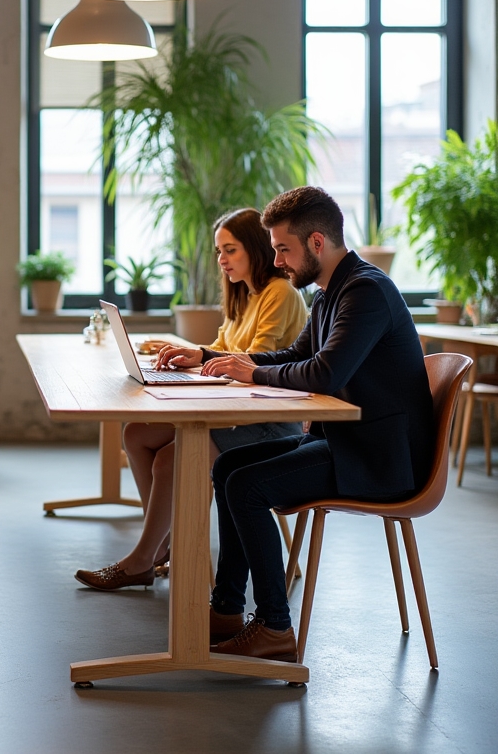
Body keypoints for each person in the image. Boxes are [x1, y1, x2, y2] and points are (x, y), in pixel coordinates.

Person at [197, 186, 434, 661]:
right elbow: (294, 356)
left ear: (317, 243)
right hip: (349, 444)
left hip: (379, 461)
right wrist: (213, 358)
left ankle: (274, 628)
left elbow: (326, 372)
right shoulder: (332, 292)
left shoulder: (366, 291)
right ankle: (226, 609)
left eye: (283, 248)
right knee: (228, 470)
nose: (278, 260)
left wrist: (253, 372)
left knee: (245, 486)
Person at [75, 208, 308, 590]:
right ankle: (163, 543)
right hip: (236, 410)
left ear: (254, 248)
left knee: (172, 457)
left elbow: (251, 361)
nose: (222, 259)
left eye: (230, 250)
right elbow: (220, 349)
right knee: (137, 433)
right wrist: (186, 356)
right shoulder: (243, 295)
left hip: (269, 422)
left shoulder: (278, 293)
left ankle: (142, 559)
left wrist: (202, 362)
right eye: (219, 251)